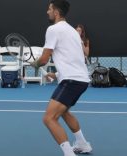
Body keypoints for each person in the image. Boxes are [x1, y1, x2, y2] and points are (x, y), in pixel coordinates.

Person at [31, 0, 93, 156]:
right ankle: (82, 144)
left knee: (49, 118)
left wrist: (36, 64)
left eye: (49, 9)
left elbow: (44, 59)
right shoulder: (73, 31)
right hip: (81, 80)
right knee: (64, 112)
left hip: (72, 81)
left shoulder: (53, 29)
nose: (47, 12)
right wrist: (57, 74)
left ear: (56, 12)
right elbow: (76, 58)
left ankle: (68, 153)